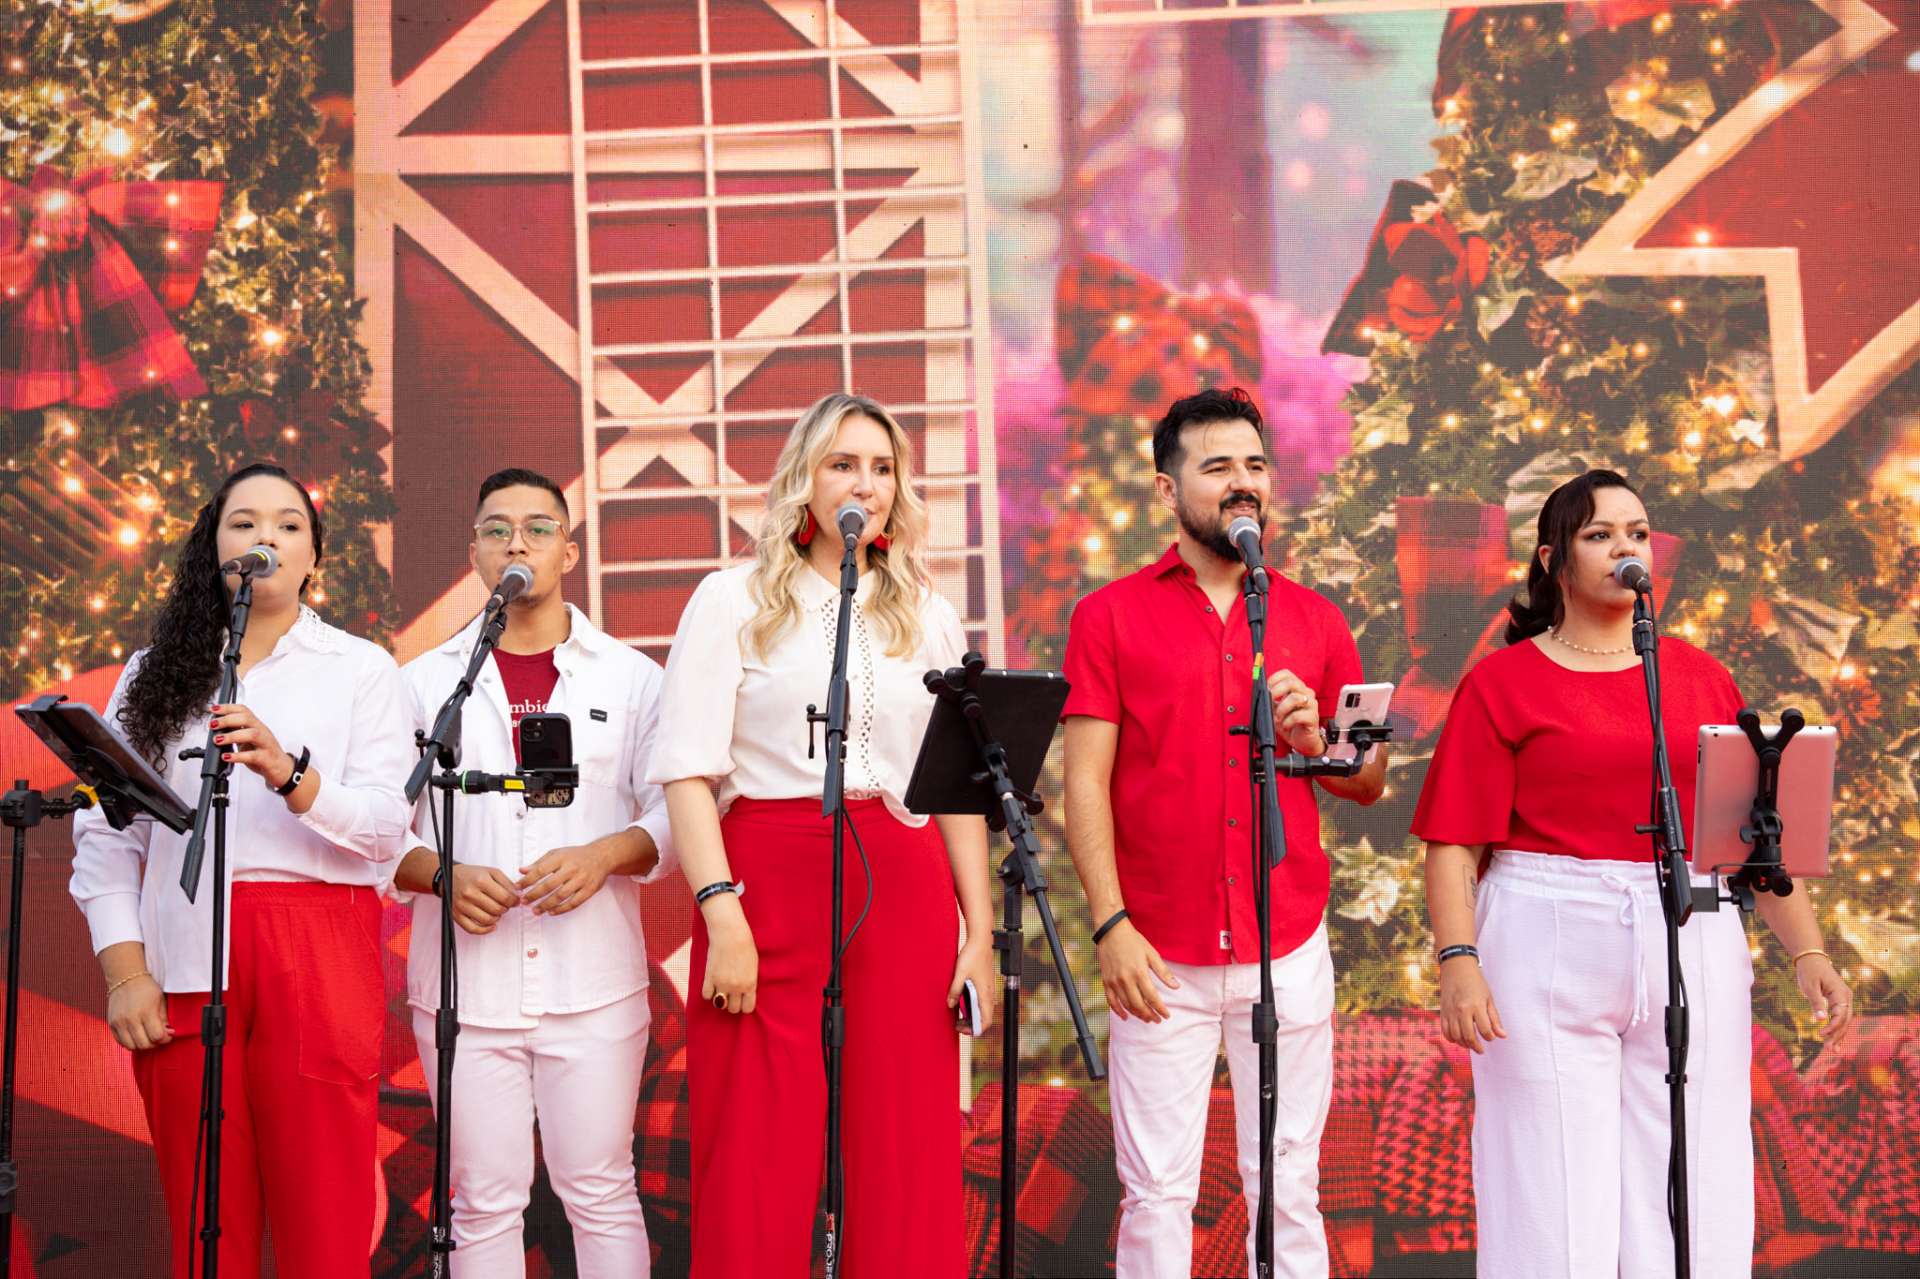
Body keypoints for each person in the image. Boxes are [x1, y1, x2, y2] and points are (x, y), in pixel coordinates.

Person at [1412, 468, 1854, 1279]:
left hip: (1686, 923)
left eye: (1638, 532)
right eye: (1599, 533)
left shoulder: (1698, 676)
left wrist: (1809, 952)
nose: (1625, 547)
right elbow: (1452, 842)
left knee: (1690, 1171)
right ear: (1552, 560)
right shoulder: (1501, 681)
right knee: (1546, 1180)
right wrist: (1458, 959)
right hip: (1544, 926)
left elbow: (1752, 838)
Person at [647, 391, 996, 1278]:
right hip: (762, 880)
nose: (865, 485)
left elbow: (953, 788)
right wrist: (720, 914)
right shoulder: (730, 598)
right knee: (756, 1152)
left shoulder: (928, 609)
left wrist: (979, 934)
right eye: (844, 463)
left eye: (882, 468)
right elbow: (688, 770)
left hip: (905, 882)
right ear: (805, 477)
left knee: (904, 1147)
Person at [1061, 387, 1388, 1279]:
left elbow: (1366, 778)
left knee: (1287, 1181)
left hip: (1286, 938)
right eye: (1217, 469)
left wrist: (1313, 741)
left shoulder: (1315, 617)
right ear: (1168, 491)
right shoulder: (1109, 616)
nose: (1242, 485)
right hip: (1157, 945)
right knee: (1157, 1189)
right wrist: (1110, 924)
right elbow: (1082, 781)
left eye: (1254, 466)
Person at [69, 461, 414, 1278]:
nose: (266, 537)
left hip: (319, 949)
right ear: (212, 545)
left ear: (313, 558)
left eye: (289, 525)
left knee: (323, 1223)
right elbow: (106, 832)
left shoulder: (360, 668)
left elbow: (384, 827)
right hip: (185, 950)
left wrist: (293, 776)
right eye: (244, 522)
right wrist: (125, 972)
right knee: (203, 1223)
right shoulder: (152, 673)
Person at [386, 468, 675, 1276]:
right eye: (497, 528)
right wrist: (441, 874)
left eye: (539, 527)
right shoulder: (422, 685)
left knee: (601, 1187)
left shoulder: (631, 678)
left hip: (596, 985)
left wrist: (602, 855)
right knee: (481, 1200)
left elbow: (673, 821)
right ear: (475, 553)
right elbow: (378, 830)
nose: (517, 540)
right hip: (465, 991)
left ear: (569, 551)